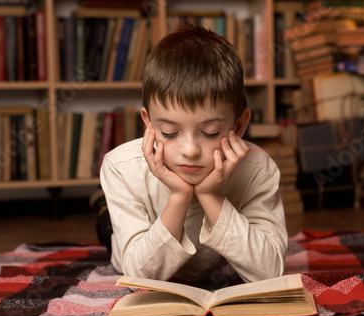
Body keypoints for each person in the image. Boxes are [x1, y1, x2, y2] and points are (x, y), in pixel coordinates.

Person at [97, 25, 287, 284]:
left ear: (239, 126)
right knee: (107, 227)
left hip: (209, 260)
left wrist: (210, 195)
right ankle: (102, 210)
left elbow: (269, 272)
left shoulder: (257, 169)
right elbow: (139, 276)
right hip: (132, 243)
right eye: (169, 132)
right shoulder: (121, 166)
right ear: (149, 124)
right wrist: (179, 196)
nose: (189, 151)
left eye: (209, 132)